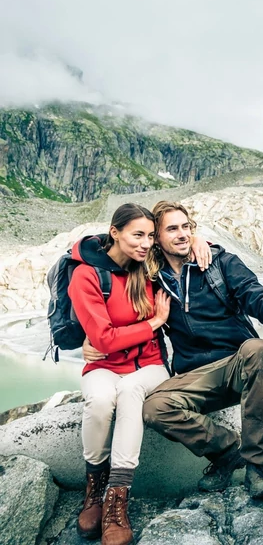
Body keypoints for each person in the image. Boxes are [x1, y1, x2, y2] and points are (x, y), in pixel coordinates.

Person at [84, 200, 263, 500]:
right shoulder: (151, 279)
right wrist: (88, 338)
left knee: (259, 349)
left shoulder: (219, 264)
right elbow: (107, 261)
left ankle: (259, 468)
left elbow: (252, 293)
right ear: (156, 238)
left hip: (238, 364)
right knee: (154, 408)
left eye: (187, 227)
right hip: (195, 376)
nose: (183, 234)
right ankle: (228, 452)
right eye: (172, 229)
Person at [70, 203, 171, 545]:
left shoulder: (151, 267)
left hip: (150, 366)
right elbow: (103, 339)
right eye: (137, 235)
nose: (146, 243)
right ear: (114, 232)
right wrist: (154, 322)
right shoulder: (87, 275)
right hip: (103, 365)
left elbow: (183, 241)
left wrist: (202, 242)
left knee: (129, 391)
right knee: (99, 399)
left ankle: (117, 497)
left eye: (150, 236)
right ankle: (94, 484)